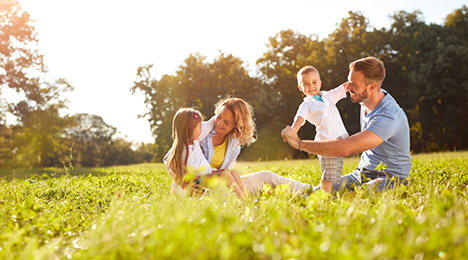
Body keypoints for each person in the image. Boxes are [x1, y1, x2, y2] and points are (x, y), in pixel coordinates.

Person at [282, 57, 412, 192]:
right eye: (349, 82)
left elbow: (345, 148)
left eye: (353, 84)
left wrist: (299, 144)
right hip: (360, 175)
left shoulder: (388, 116)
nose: (349, 87)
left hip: (390, 178)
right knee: (319, 193)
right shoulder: (366, 98)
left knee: (358, 196)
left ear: (372, 87)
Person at [199, 98, 310, 195]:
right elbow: (183, 158)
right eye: (218, 117)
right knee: (226, 190)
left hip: (221, 186)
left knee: (267, 177)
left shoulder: (234, 142)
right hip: (199, 190)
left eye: (227, 122)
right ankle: (243, 203)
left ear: (236, 125)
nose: (220, 123)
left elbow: (228, 172)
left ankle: (310, 190)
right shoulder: (199, 131)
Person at [291, 66, 349, 193]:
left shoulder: (328, 96)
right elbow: (300, 118)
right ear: (300, 87)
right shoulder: (307, 104)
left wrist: (355, 83)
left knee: (335, 173)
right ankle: (325, 197)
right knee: (328, 175)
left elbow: (343, 88)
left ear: (320, 83)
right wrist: (293, 130)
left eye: (314, 82)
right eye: (306, 84)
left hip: (340, 138)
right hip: (326, 141)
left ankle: (328, 193)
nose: (311, 86)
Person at [165, 108, 245, 198]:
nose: (202, 130)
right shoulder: (182, 148)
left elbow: (209, 126)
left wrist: (223, 113)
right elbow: (168, 161)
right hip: (195, 182)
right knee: (226, 176)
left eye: (227, 122)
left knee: (233, 173)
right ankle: (244, 201)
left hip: (204, 175)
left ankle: (245, 199)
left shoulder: (194, 142)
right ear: (190, 130)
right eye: (200, 127)